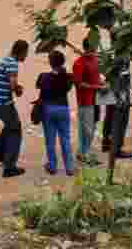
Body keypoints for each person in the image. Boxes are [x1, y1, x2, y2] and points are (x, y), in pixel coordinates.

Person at [0, 40, 29, 178]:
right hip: (2, 103)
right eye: (26, 53)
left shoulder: (5, 60)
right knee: (15, 129)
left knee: (9, 126)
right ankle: (9, 167)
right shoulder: (12, 63)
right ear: (21, 52)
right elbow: (12, 84)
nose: (26, 56)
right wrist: (18, 90)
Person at [36, 52, 75, 176]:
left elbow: (38, 86)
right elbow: (69, 86)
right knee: (65, 139)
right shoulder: (67, 77)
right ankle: (69, 167)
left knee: (50, 140)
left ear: (50, 62)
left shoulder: (43, 76)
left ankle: (52, 166)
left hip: (48, 109)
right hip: (63, 108)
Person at [72, 38, 104, 166]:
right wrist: (98, 87)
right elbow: (79, 85)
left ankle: (82, 152)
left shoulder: (94, 59)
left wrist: (101, 83)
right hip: (85, 101)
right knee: (88, 130)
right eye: (94, 47)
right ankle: (85, 154)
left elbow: (96, 77)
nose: (95, 49)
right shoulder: (78, 63)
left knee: (92, 126)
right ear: (88, 48)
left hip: (96, 99)